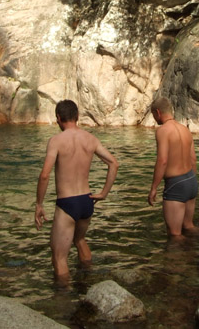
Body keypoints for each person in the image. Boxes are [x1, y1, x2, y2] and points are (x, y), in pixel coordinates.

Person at [34, 99, 119, 283]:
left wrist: (39, 204)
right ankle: (87, 278)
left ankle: (63, 298)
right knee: (79, 240)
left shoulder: (56, 141)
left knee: (59, 257)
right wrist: (104, 193)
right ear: (77, 117)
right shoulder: (90, 139)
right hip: (86, 202)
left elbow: (44, 175)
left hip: (67, 204)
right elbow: (113, 163)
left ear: (58, 118)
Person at [148, 96, 198, 237]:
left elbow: (162, 160)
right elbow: (193, 159)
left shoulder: (163, 131)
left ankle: (176, 259)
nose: (155, 119)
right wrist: (191, 181)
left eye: (153, 115)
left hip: (176, 184)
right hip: (191, 181)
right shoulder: (185, 130)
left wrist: (154, 188)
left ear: (158, 112)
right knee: (189, 226)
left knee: (175, 234)